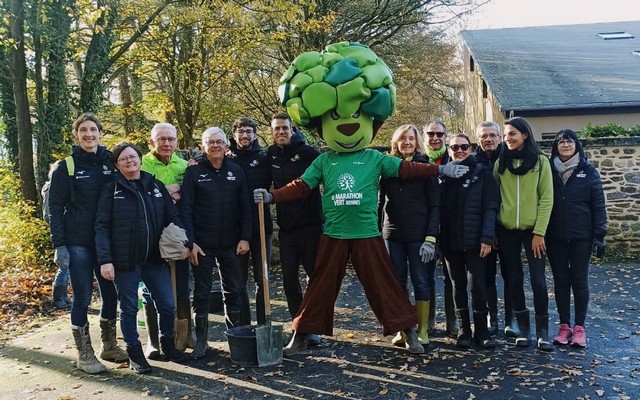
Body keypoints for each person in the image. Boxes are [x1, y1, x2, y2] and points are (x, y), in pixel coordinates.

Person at [96, 142, 189, 373]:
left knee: (167, 305)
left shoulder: (154, 184)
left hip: (155, 259)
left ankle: (168, 344)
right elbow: (101, 226)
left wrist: (184, 241)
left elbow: (172, 215)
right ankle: (135, 353)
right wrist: (105, 260)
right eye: (123, 159)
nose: (129, 161)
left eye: (132, 156)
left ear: (139, 158)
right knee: (128, 309)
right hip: (124, 262)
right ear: (117, 165)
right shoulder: (111, 189)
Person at [48, 112, 128, 374]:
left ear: (101, 133)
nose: (89, 134)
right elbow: (55, 208)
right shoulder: (66, 166)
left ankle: (109, 345)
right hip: (78, 243)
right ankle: (85, 355)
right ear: (76, 135)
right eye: (83, 130)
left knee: (111, 294)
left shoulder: (110, 161)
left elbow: (135, 168)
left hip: (106, 242)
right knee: (82, 297)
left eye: (93, 130)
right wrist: (59, 246)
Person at [181, 127, 251, 359]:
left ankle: (235, 337)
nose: (215, 146)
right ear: (203, 146)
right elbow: (186, 209)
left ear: (226, 145)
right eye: (210, 142)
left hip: (232, 244)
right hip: (202, 245)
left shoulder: (237, 171)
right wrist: (190, 242)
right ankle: (202, 341)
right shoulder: (194, 173)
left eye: (219, 142)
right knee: (201, 292)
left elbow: (245, 207)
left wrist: (245, 237)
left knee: (233, 290)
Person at [493, 116, 554, 351]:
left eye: (512, 134)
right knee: (514, 279)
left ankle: (543, 334)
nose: (508, 138)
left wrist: (539, 232)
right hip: (507, 231)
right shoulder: (500, 163)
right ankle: (524, 331)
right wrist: (495, 229)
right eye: (506, 135)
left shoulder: (540, 162)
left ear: (524, 135)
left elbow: (547, 198)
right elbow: (494, 196)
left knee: (538, 282)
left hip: (533, 233)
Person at [379, 124, 440, 347]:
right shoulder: (387, 168)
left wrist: (431, 238)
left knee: (421, 281)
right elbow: (380, 202)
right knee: (397, 283)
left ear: (417, 142)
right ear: (396, 142)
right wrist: (377, 232)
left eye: (411, 139)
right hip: (392, 234)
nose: (407, 143)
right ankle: (403, 329)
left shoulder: (425, 167)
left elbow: (435, 205)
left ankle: (423, 329)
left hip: (419, 235)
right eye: (402, 139)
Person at [546, 129, 607, 348]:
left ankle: (579, 327)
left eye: (569, 141)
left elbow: (598, 204)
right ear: (556, 146)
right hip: (555, 237)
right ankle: (564, 326)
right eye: (561, 142)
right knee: (561, 282)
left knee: (579, 282)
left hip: (582, 236)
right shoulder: (548, 170)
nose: (565, 145)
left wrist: (600, 236)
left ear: (576, 145)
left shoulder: (588, 170)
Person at [140, 122, 194, 357]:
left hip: (177, 234)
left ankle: (183, 335)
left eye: (171, 139)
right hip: (150, 236)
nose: (166, 143)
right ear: (152, 142)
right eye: (161, 139)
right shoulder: (139, 164)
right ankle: (153, 340)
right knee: (152, 288)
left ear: (176, 142)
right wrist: (167, 189)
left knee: (182, 285)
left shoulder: (184, 165)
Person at [268, 113, 323, 345]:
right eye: (276, 129)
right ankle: (297, 326)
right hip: (287, 228)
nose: (280, 132)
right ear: (272, 132)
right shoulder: (270, 155)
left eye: (284, 128)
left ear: (292, 130)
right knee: (289, 278)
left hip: (311, 226)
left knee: (314, 277)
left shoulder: (310, 154)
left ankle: (312, 327)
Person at [441, 134, 499, 349]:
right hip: (451, 242)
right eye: (454, 147)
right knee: (457, 286)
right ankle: (464, 330)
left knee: (477, 287)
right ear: (449, 150)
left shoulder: (483, 173)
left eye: (464, 147)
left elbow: (490, 207)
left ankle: (482, 331)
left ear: (472, 149)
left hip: (476, 242)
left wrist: (486, 238)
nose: (459, 151)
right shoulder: (444, 176)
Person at [474, 121, 520, 338]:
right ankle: (493, 317)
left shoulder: (510, 158)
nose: (489, 139)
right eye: (484, 136)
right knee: (487, 276)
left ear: (500, 137)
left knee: (511, 274)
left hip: (508, 227)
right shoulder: (472, 161)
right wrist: (487, 232)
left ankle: (511, 319)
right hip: (484, 229)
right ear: (478, 139)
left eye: (493, 135)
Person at [228, 117, 272, 326]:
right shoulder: (226, 158)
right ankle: (244, 326)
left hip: (263, 227)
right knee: (239, 282)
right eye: (241, 132)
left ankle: (264, 324)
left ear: (255, 134)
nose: (245, 135)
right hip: (235, 229)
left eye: (248, 131)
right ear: (234, 134)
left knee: (262, 279)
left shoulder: (265, 157)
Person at [423, 119, 458, 338]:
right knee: (426, 276)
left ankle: (452, 321)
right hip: (426, 227)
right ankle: (428, 320)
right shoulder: (418, 160)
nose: (435, 138)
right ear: (424, 135)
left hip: (450, 226)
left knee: (451, 277)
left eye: (440, 134)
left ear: (446, 136)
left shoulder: (454, 157)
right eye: (431, 134)